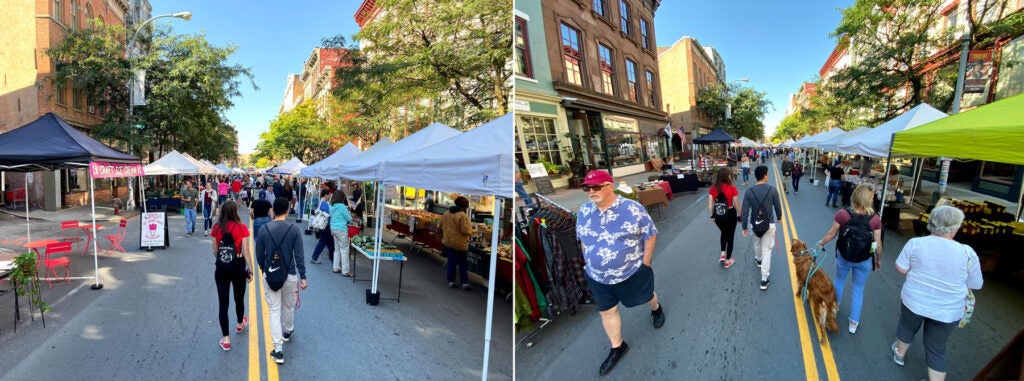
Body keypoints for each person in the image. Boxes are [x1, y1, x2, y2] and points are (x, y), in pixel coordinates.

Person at [575, 170, 664, 376]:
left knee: (646, 297)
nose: (590, 191)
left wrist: (646, 264)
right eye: (587, 188)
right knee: (607, 311)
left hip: (632, 272)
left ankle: (656, 308)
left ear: (609, 185)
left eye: (596, 187)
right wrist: (589, 261)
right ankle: (618, 346)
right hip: (597, 276)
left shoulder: (633, 208)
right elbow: (582, 238)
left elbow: (649, 235)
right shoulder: (584, 211)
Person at [890, 205, 983, 381]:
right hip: (947, 310)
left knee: (907, 327)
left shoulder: (916, 243)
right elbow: (976, 284)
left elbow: (900, 268)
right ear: (955, 227)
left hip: (914, 300)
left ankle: (899, 354)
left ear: (931, 222)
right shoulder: (967, 253)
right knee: (937, 348)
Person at [815, 185, 884, 334]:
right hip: (864, 260)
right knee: (858, 290)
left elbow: (832, 233)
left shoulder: (843, 214)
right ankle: (853, 323)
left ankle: (834, 308)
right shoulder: (875, 219)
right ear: (868, 200)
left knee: (839, 281)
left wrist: (821, 243)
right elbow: (878, 244)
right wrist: (878, 260)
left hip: (844, 255)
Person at [255, 198, 307, 365]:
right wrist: (303, 276)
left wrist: (264, 269)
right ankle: (288, 331)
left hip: (271, 275)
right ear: (287, 210)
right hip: (290, 274)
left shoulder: (264, 229)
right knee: (288, 306)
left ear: (273, 211)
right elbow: (299, 255)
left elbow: (259, 254)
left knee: (274, 310)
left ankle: (278, 350)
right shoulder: (294, 229)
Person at [210, 201, 253, 351]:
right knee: (239, 297)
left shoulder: (216, 227)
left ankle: (226, 339)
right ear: (235, 212)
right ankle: (240, 323)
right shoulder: (242, 227)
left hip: (222, 267)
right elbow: (246, 251)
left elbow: (214, 249)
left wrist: (222, 258)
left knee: (223, 303)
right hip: (238, 265)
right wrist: (251, 270)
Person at [740, 165, 782, 290]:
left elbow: (745, 211)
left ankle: (758, 260)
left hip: (754, 224)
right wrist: (779, 217)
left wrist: (744, 226)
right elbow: (777, 207)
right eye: (767, 174)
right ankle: (764, 279)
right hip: (769, 225)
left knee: (757, 243)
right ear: (764, 176)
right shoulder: (772, 190)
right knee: (767, 251)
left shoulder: (749, 191)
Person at [708, 167, 741, 268]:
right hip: (730, 213)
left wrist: (712, 216)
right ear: (727, 176)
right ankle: (728, 260)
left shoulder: (713, 188)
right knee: (730, 237)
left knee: (723, 233)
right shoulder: (732, 188)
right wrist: (740, 215)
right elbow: (736, 204)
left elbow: (710, 205)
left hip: (718, 215)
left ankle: (723, 254)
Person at [441, 196, 474, 290]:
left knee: (451, 261)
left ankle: (451, 281)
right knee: (463, 263)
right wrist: (471, 231)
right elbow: (466, 230)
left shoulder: (446, 213)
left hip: (448, 241)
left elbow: (441, 225)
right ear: (465, 206)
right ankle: (464, 283)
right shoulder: (462, 215)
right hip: (459, 243)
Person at [329, 190, 354, 275]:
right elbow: (349, 218)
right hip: (341, 229)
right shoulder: (342, 206)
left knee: (337, 249)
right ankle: (345, 271)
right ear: (342, 198)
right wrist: (351, 220)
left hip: (333, 229)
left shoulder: (331, 206)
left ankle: (335, 267)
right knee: (344, 250)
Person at [309, 190, 335, 265]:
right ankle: (314, 257)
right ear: (326, 195)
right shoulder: (324, 203)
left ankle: (332, 258)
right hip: (326, 225)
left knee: (329, 242)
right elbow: (329, 213)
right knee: (323, 242)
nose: (330, 196)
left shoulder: (322, 202)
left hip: (325, 225)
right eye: (329, 195)